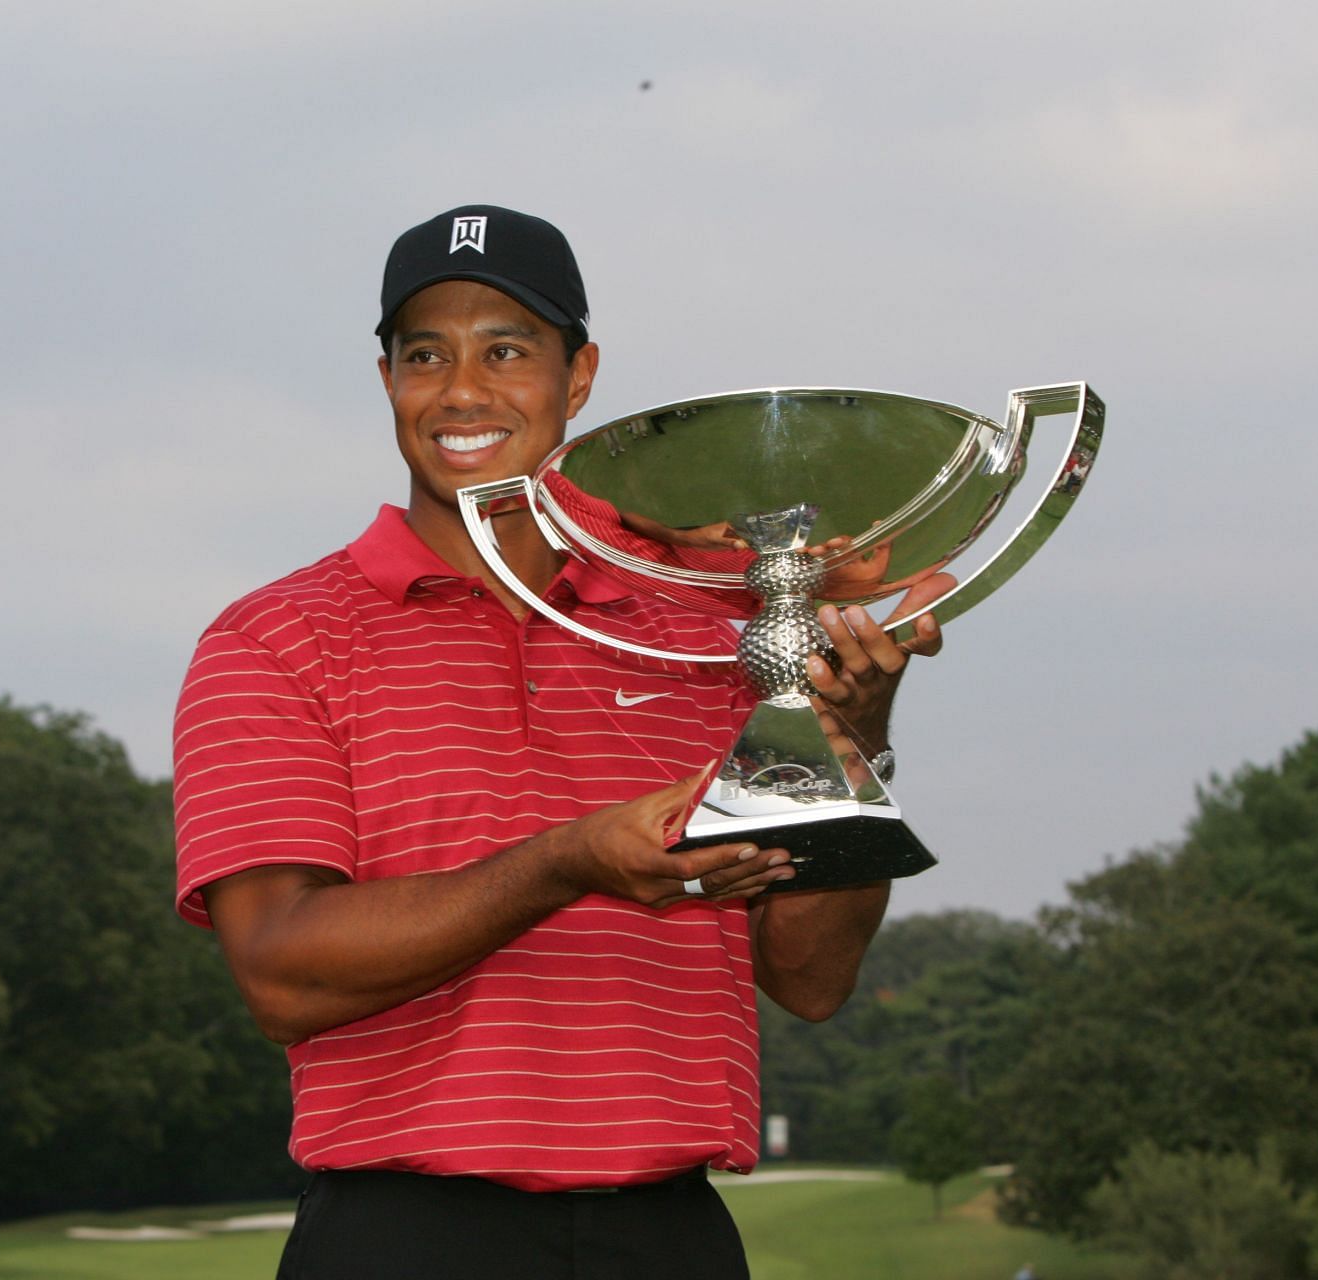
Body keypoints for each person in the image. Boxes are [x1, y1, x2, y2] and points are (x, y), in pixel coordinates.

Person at [172, 205, 946, 1279]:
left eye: (506, 349)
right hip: (402, 1238)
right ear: (388, 378)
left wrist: (851, 732)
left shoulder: (706, 635)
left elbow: (810, 975)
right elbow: (280, 973)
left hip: (667, 1235)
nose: (462, 391)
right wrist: (565, 860)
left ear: (579, 376)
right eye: (424, 354)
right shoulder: (276, 639)